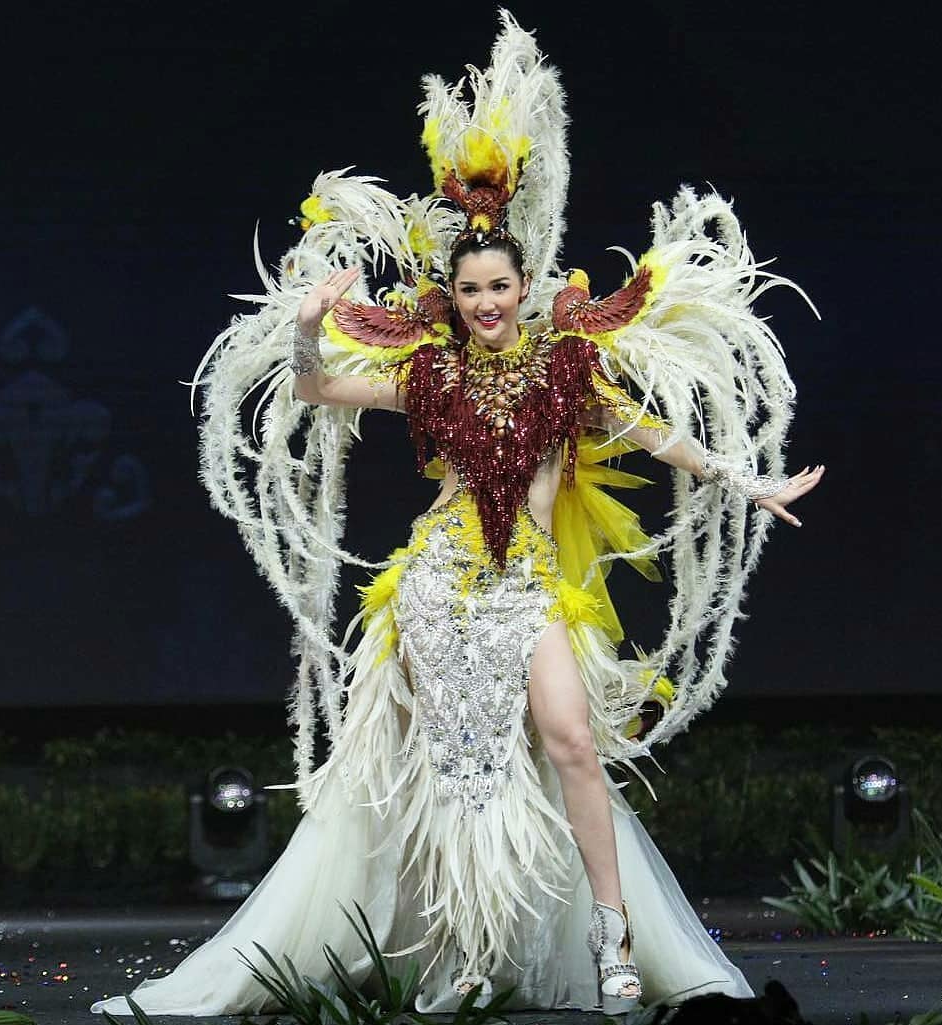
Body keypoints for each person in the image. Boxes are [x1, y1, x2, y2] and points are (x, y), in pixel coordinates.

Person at [93, 10, 822, 1018]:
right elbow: (314, 392)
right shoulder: (428, 376)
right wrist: (307, 332)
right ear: (456, 291)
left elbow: (655, 434)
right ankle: (459, 952)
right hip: (437, 590)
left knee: (568, 738)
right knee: (452, 779)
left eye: (498, 286)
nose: (484, 301)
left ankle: (611, 943)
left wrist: (749, 481)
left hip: (526, 589)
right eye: (469, 287)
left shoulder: (567, 371)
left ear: (524, 286)